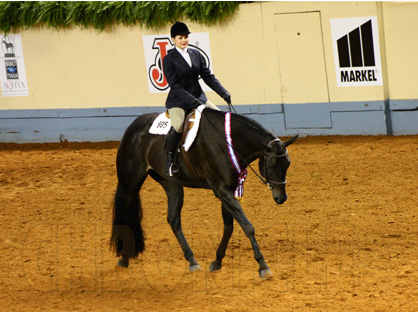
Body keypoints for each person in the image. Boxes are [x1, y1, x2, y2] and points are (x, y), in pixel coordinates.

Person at [163, 21, 231, 177]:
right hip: (178, 100)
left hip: (199, 98)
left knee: (219, 117)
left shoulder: (196, 54)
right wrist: (190, 100)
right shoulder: (169, 59)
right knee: (179, 125)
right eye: (180, 37)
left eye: (186, 37)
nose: (184, 40)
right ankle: (169, 160)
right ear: (173, 39)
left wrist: (223, 92)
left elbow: (208, 77)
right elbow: (174, 85)